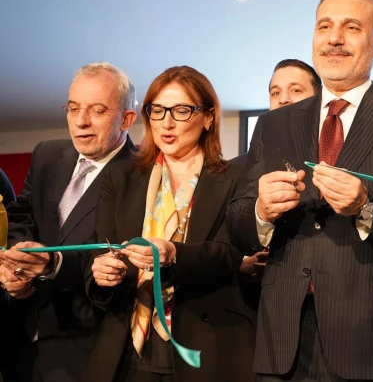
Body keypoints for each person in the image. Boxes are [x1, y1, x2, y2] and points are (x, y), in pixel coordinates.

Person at [229, 0, 373, 381]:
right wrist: (261, 211)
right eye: (324, 26)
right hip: (284, 340)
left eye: (351, 27)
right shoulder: (273, 123)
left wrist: (366, 205)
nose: (334, 38)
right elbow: (238, 222)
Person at [81, 66, 254, 382]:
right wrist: (102, 273)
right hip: (128, 343)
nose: (167, 123)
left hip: (204, 342)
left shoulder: (235, 178)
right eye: (158, 110)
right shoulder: (120, 177)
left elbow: (228, 254)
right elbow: (101, 251)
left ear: (208, 118)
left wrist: (174, 254)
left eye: (181, 111)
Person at [0, 62, 137, 382]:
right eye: (73, 108)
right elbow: (22, 214)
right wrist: (18, 266)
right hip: (21, 338)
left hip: (86, 347)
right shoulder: (46, 155)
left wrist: (52, 265)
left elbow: (120, 259)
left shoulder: (142, 177)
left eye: (97, 110)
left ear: (127, 119)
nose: (80, 121)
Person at [236, 58, 320, 310]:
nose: (283, 99)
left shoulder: (335, 149)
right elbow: (235, 230)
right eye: (275, 93)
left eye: (296, 90)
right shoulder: (240, 166)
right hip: (271, 300)